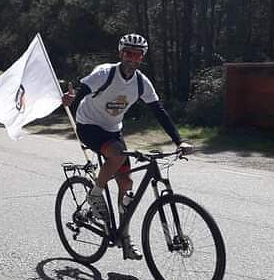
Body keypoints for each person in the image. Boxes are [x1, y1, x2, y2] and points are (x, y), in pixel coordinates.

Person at [62, 33, 193, 260]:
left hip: (113, 130)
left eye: (137, 55)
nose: (132, 58)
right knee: (117, 155)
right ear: (120, 53)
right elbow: (83, 88)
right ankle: (95, 194)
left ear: (142, 57)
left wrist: (179, 140)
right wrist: (71, 98)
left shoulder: (141, 83)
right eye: (128, 53)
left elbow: (159, 111)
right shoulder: (105, 73)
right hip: (89, 125)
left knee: (127, 185)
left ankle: (125, 240)